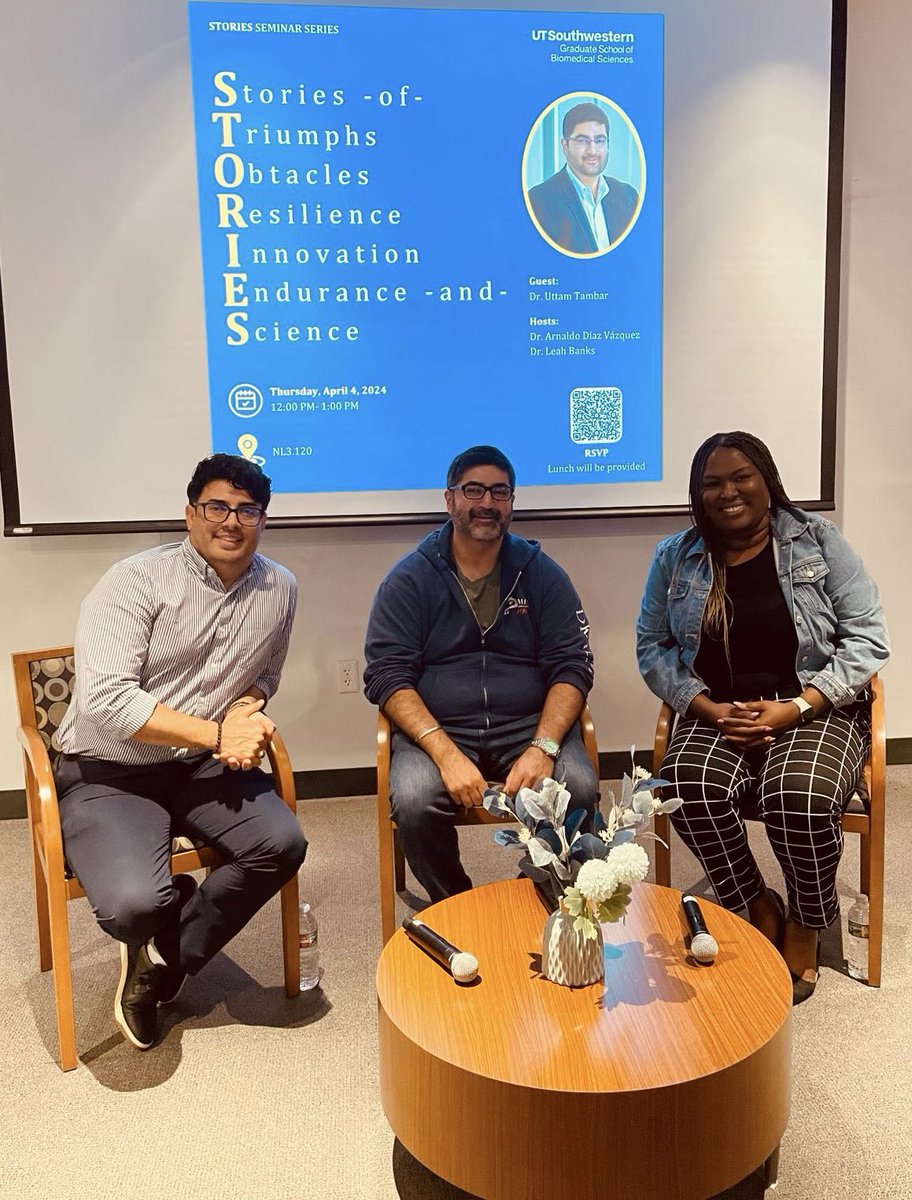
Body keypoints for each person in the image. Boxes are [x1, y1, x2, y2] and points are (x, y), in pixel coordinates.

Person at [54, 453, 307, 1050]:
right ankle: (155, 925)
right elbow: (105, 702)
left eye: (248, 510)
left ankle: (164, 958)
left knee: (282, 844)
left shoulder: (280, 587)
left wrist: (245, 709)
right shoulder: (134, 582)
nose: (232, 521)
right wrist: (219, 735)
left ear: (263, 519)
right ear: (190, 514)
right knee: (134, 906)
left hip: (198, 769)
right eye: (217, 506)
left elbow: (265, 673)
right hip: (108, 770)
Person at [636, 432, 889, 1003]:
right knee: (684, 784)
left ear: (767, 481)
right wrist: (705, 707)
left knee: (797, 793)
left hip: (811, 704)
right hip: (716, 706)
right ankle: (753, 901)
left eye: (741, 477)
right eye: (711, 483)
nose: (727, 492)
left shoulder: (818, 542)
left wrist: (797, 705)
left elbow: (869, 640)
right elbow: (652, 647)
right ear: (697, 494)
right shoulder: (674, 558)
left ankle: (806, 918)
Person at [364, 445, 598, 903]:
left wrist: (543, 746)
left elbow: (573, 666)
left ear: (512, 500)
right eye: (473, 490)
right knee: (414, 800)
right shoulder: (409, 579)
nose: (487, 502)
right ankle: (455, 902)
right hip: (438, 727)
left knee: (582, 788)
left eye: (500, 491)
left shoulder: (543, 575)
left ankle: (536, 890)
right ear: (449, 499)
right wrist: (445, 754)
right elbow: (387, 676)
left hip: (528, 726)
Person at [527, 101, 639, 255]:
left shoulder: (628, 197)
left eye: (599, 140)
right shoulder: (539, 201)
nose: (592, 151)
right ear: (565, 146)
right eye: (582, 140)